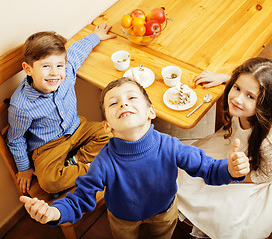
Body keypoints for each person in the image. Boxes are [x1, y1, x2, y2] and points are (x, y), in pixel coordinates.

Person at [19, 77, 250, 239]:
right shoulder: (104, 161)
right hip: (122, 219)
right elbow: (80, 199)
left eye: (131, 97)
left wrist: (229, 170)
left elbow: (206, 168)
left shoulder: (170, 146)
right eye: (113, 102)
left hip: (165, 212)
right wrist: (54, 212)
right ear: (107, 126)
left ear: (151, 112)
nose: (123, 103)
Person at [177, 57, 272, 239]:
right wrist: (224, 78)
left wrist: (230, 174)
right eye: (236, 88)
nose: (237, 99)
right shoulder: (245, 103)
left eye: (250, 96)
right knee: (185, 171)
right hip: (236, 148)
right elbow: (244, 84)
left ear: (265, 104)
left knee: (212, 202)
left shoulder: (270, 138)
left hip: (260, 171)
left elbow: (267, 175)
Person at [7, 23, 116, 194]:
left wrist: (96, 36)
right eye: (45, 66)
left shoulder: (67, 71)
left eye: (59, 65)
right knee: (49, 182)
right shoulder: (21, 105)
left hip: (77, 128)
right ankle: (95, 171)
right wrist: (24, 169)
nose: (54, 73)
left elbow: (77, 51)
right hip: (48, 147)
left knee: (113, 133)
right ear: (28, 69)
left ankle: (74, 161)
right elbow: (16, 139)